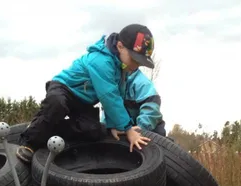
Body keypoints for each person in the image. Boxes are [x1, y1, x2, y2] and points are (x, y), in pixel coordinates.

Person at [16, 24, 161, 164]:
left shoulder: (120, 68)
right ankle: (31, 141)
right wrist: (128, 129)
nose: (136, 65)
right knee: (57, 105)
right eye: (134, 59)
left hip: (83, 101)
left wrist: (113, 125)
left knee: (94, 131)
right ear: (120, 46)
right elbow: (109, 97)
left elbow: (118, 95)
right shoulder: (101, 61)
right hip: (64, 89)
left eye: (140, 62)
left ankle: (50, 131)